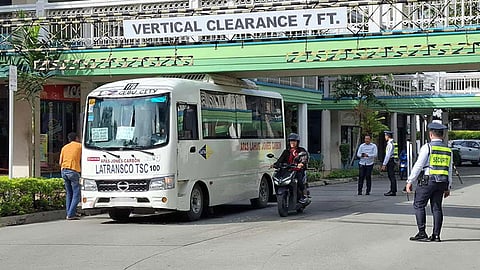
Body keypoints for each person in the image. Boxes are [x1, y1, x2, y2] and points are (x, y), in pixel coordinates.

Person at [406, 122, 452, 242]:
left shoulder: (428, 147)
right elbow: (449, 169)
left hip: (428, 180)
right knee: (437, 208)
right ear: (442, 136)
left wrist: (410, 180)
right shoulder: (448, 149)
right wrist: (448, 186)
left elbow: (419, 165)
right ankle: (436, 235)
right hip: (442, 181)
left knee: (419, 205)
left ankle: (422, 233)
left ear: (431, 134)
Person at [275, 133, 309, 203]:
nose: (292, 143)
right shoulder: (286, 152)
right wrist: (275, 164)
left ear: (297, 142)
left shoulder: (301, 151)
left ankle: (303, 196)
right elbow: (280, 160)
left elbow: (304, 159)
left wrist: (301, 164)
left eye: (294, 141)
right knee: (277, 176)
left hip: (298, 170)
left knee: (299, 179)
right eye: (291, 141)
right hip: (288, 170)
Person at [59, 132, 82, 220]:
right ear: (76, 138)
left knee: (69, 193)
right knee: (76, 194)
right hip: (73, 170)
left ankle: (69, 212)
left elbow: (60, 162)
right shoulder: (79, 146)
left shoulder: (64, 147)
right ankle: (71, 214)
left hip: (64, 170)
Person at [382, 130, 397, 196]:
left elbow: (388, 155)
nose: (385, 137)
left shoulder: (389, 144)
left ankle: (392, 191)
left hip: (390, 160)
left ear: (387, 136)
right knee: (392, 176)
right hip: (393, 160)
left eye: (385, 135)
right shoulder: (394, 142)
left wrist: (384, 164)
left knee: (391, 176)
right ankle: (393, 190)